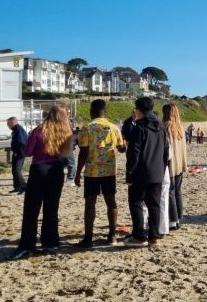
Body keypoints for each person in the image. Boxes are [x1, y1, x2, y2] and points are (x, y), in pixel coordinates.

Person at [11, 105, 73, 260]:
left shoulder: (39, 130)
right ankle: (50, 243)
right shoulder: (65, 132)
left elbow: (28, 152)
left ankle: (27, 245)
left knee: (31, 210)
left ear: (47, 115)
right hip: (56, 170)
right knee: (51, 209)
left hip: (39, 169)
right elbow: (67, 153)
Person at [74, 99, 126, 248]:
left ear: (92, 110)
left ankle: (88, 238)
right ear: (105, 111)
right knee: (111, 202)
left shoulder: (87, 128)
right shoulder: (114, 128)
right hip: (109, 170)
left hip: (92, 171)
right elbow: (122, 149)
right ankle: (112, 236)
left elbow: (83, 152)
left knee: (90, 203)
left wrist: (77, 173)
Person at [124, 97, 170, 246]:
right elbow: (165, 151)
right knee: (154, 204)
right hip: (157, 172)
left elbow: (134, 153)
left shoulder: (139, 127)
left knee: (136, 202)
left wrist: (130, 173)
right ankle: (154, 236)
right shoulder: (161, 127)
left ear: (138, 110)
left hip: (141, 172)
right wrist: (162, 169)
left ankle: (139, 236)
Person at [163, 102, 188, 230]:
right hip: (180, 165)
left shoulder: (165, 127)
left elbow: (165, 150)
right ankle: (179, 217)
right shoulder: (180, 128)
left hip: (170, 165)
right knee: (178, 192)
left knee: (170, 193)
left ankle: (173, 220)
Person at [7, 117, 29, 194]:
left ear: (12, 123)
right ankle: (17, 187)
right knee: (14, 171)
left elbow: (22, 142)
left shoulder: (19, 130)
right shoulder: (15, 130)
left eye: (8, 124)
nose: (7, 126)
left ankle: (25, 187)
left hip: (19, 154)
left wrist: (18, 151)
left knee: (17, 171)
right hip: (16, 153)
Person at [66, 107, 78, 187]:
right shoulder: (63, 122)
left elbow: (71, 132)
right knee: (72, 162)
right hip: (67, 144)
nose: (69, 114)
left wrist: (75, 132)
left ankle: (70, 178)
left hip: (70, 144)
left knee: (71, 162)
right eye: (67, 112)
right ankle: (70, 178)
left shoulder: (70, 121)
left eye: (69, 112)